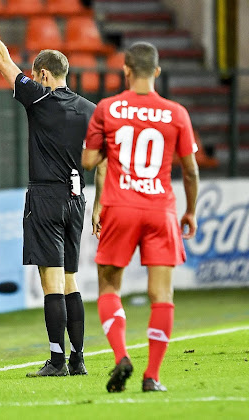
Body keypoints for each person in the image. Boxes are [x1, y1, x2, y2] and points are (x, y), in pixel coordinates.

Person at [0, 0, 98, 377]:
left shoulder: (40, 99)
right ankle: (79, 359)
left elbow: (2, 59)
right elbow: (100, 158)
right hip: (77, 198)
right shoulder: (89, 109)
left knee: (50, 281)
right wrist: (99, 204)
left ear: (41, 74)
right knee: (72, 280)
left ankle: (56, 359)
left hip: (46, 195)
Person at [82, 42, 200, 393]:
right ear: (157, 72)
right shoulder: (176, 113)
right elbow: (191, 171)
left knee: (109, 286)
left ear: (126, 70)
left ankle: (121, 356)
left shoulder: (108, 108)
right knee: (161, 294)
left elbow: (88, 162)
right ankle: (152, 376)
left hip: (120, 206)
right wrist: (190, 210)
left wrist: (108, 148)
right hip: (160, 208)